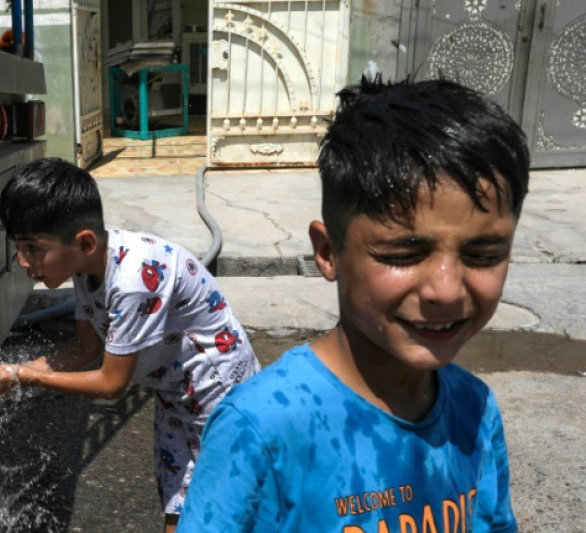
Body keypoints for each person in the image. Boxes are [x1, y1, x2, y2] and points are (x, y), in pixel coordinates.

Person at [177, 76, 529, 532]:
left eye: (483, 256)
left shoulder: (475, 409)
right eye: (403, 255)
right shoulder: (264, 429)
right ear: (328, 254)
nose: (446, 290)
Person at [0, 157, 260, 533]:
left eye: (33, 248)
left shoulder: (132, 280)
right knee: (181, 506)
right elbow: (85, 349)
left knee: (227, 511)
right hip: (176, 395)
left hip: (220, 396)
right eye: (19, 246)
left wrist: (22, 377)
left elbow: (111, 385)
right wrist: (5, 375)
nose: (22, 261)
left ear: (83, 241)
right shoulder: (89, 265)